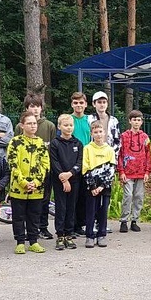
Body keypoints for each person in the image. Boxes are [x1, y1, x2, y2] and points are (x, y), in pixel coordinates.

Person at [7, 111, 50, 254]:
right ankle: (20, 241)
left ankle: (33, 241)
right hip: (19, 187)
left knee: (34, 215)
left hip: (36, 189)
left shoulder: (40, 143)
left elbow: (45, 164)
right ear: (22, 125)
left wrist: (37, 182)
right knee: (18, 215)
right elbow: (12, 163)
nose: (32, 126)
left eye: (34, 123)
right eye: (29, 123)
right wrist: (23, 181)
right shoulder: (15, 142)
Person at [14, 94, 56, 240]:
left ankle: (42, 227)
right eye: (32, 106)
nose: (35, 109)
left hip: (43, 171)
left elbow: (52, 148)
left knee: (43, 200)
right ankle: (26, 229)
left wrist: (48, 169)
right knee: (24, 202)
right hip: (24, 170)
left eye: (37, 106)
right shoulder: (19, 127)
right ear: (27, 108)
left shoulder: (49, 126)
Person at [50, 114, 83, 250]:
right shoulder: (55, 144)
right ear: (59, 127)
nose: (69, 128)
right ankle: (60, 235)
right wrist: (63, 178)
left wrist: (70, 174)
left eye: (70, 125)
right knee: (61, 207)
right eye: (65, 125)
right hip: (59, 181)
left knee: (71, 207)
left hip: (74, 180)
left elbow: (79, 162)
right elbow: (55, 162)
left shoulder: (78, 143)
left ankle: (69, 234)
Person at [82, 120, 115, 249]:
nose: (98, 134)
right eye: (95, 132)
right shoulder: (87, 149)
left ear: (105, 133)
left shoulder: (109, 150)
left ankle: (102, 234)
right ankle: (90, 236)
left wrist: (102, 186)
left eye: (100, 132)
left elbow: (111, 169)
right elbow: (85, 168)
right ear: (91, 133)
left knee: (103, 211)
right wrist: (93, 187)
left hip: (104, 187)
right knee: (91, 211)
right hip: (91, 187)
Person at [117, 109, 151, 233]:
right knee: (128, 196)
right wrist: (121, 171)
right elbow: (120, 154)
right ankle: (123, 220)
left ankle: (135, 220)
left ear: (141, 122)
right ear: (130, 121)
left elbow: (149, 154)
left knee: (139, 196)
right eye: (134, 120)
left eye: (138, 120)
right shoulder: (124, 136)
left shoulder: (145, 137)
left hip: (141, 172)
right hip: (128, 172)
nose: (136, 122)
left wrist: (147, 171)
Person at [69, 92, 91, 236]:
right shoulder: (68, 119)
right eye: (76, 103)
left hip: (87, 162)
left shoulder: (89, 120)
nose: (78, 105)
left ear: (86, 104)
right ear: (72, 104)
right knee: (73, 197)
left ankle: (80, 225)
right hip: (72, 161)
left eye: (81, 103)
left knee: (84, 196)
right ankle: (71, 225)